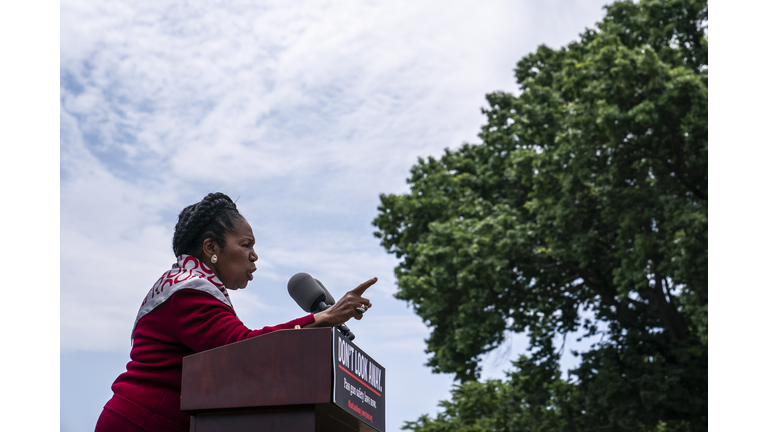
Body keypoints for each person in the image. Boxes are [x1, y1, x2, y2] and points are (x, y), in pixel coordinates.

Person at [94, 192, 376, 432]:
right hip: (143, 422)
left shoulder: (187, 284)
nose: (254, 255)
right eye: (246, 245)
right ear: (211, 248)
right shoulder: (189, 291)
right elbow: (241, 348)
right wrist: (322, 318)